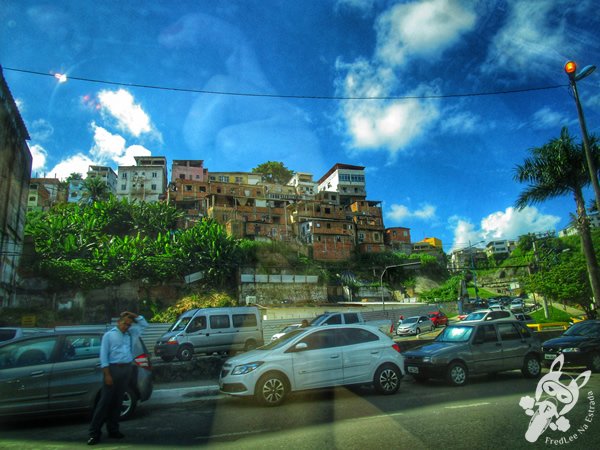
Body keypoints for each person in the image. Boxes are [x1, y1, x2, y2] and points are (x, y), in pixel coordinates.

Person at [87, 311, 148, 446]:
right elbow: (104, 356)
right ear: (118, 322)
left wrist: (131, 314)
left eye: (128, 324)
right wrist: (107, 374)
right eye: (124, 323)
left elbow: (144, 324)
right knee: (104, 402)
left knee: (118, 401)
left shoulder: (131, 334)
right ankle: (94, 433)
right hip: (113, 369)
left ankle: (113, 430)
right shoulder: (109, 336)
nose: (126, 326)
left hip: (126, 369)